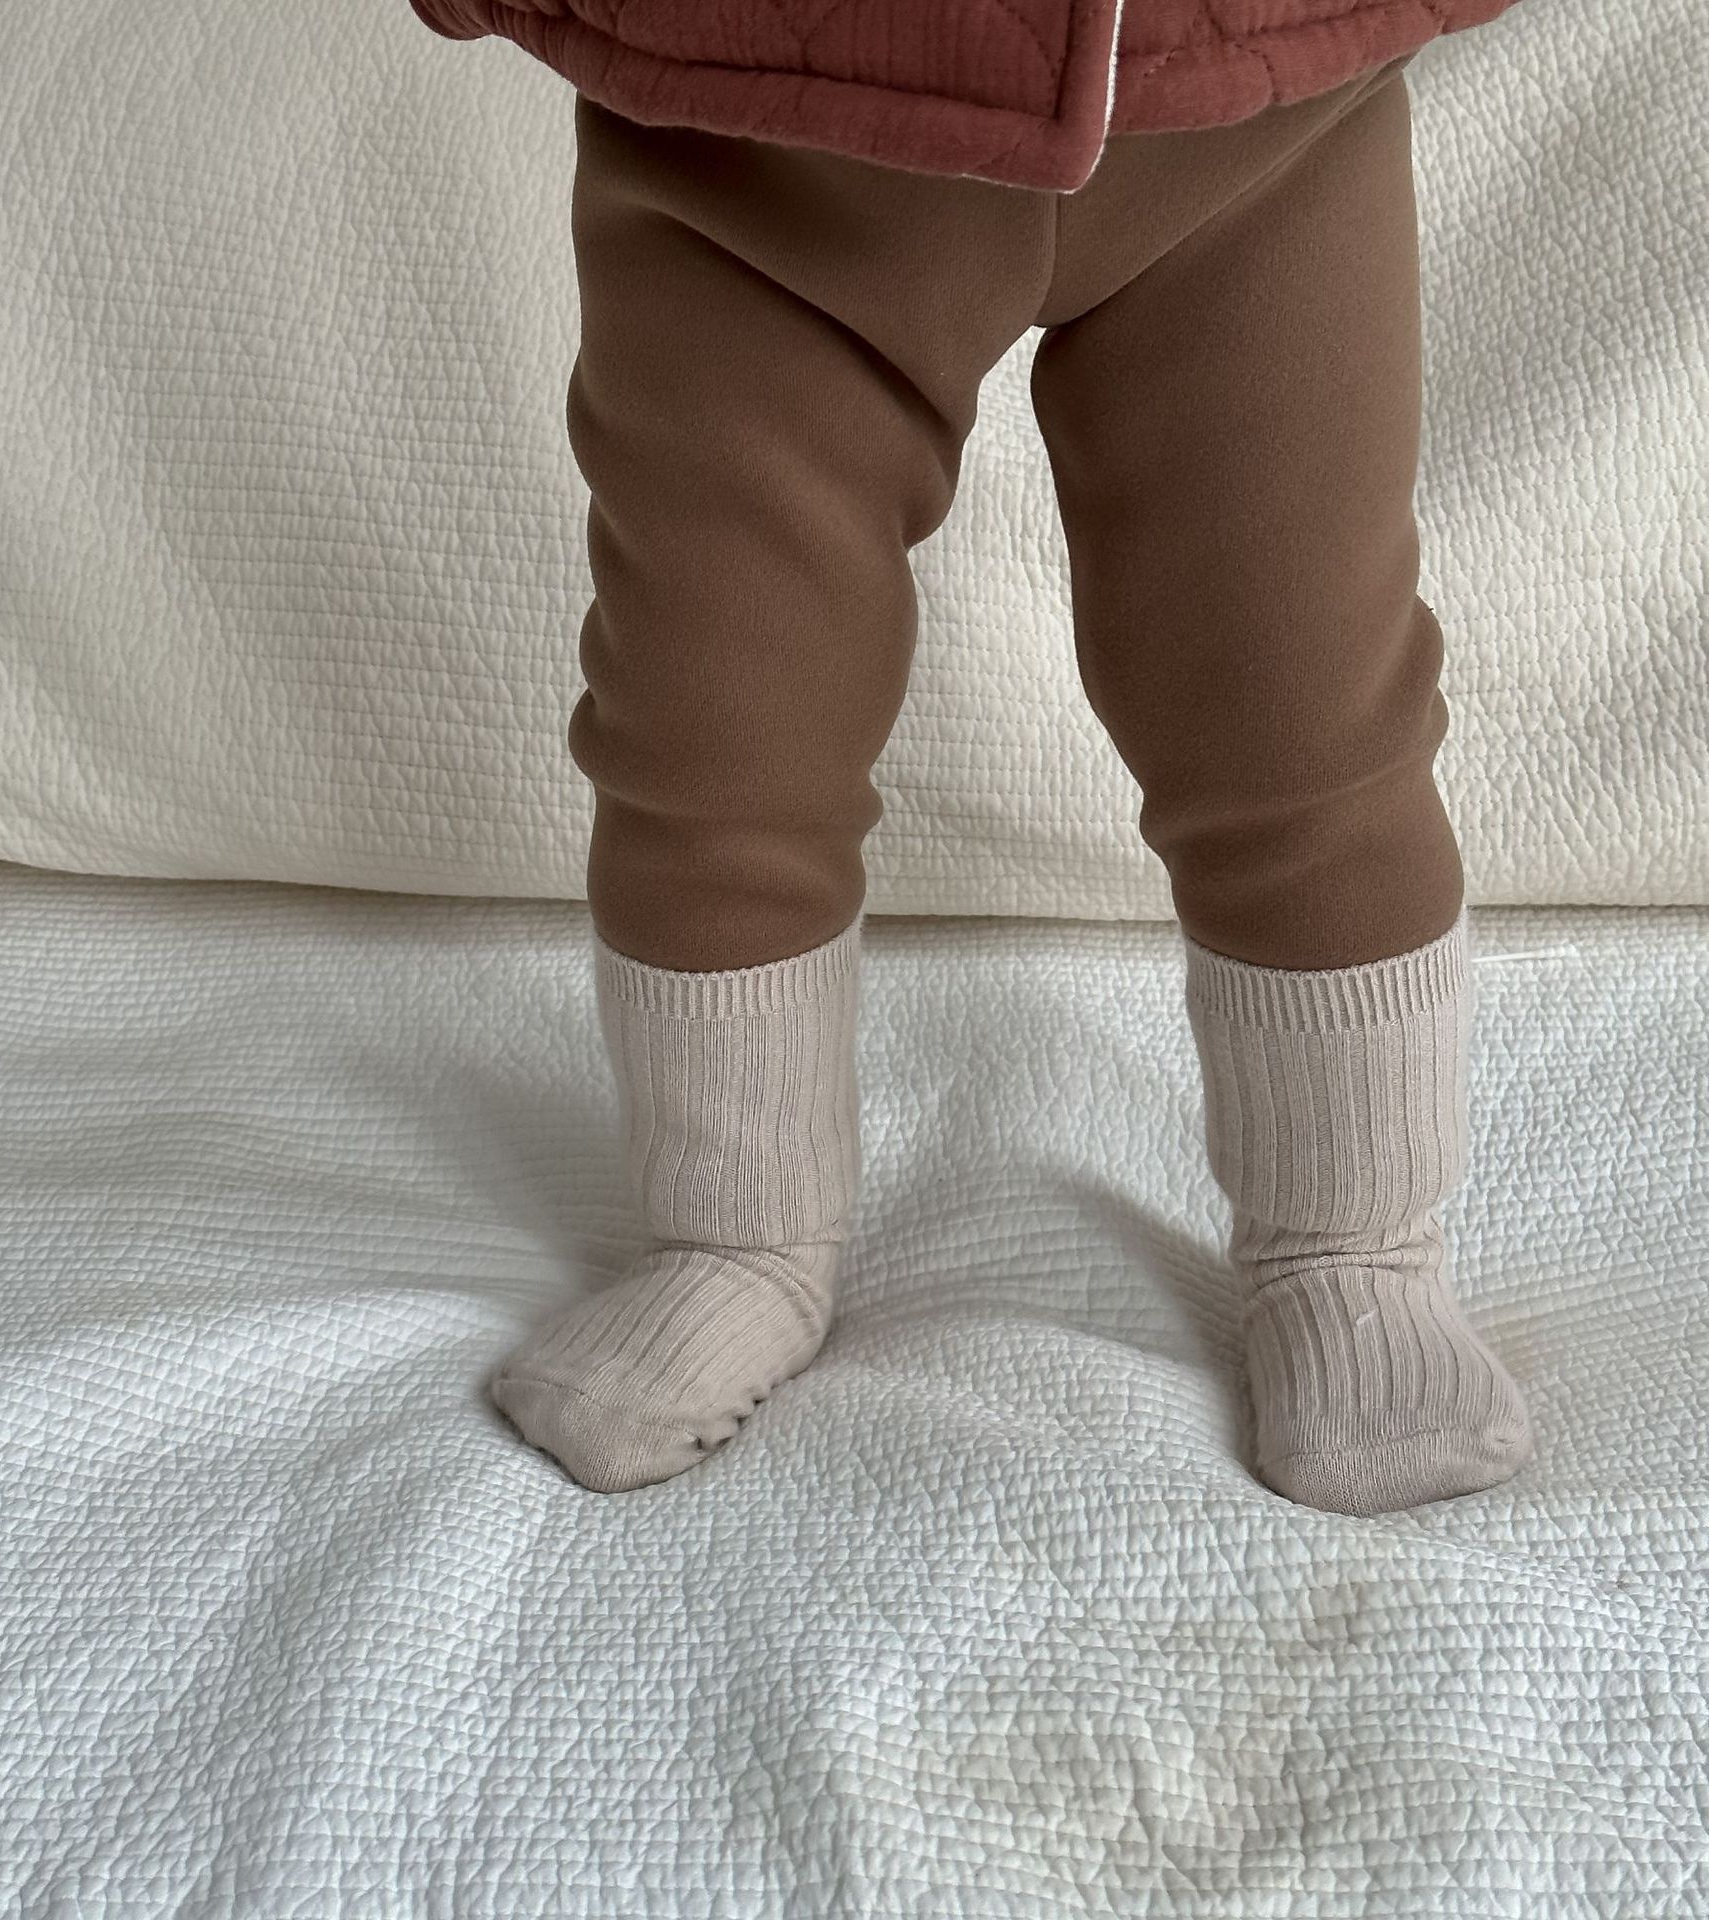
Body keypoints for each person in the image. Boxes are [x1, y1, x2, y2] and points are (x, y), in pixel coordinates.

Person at [402, 0, 1536, 1511]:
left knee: (1298, 688)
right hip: (751, 98)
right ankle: (733, 1230)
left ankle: (1356, 1241)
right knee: (718, 706)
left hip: (1258, 93)